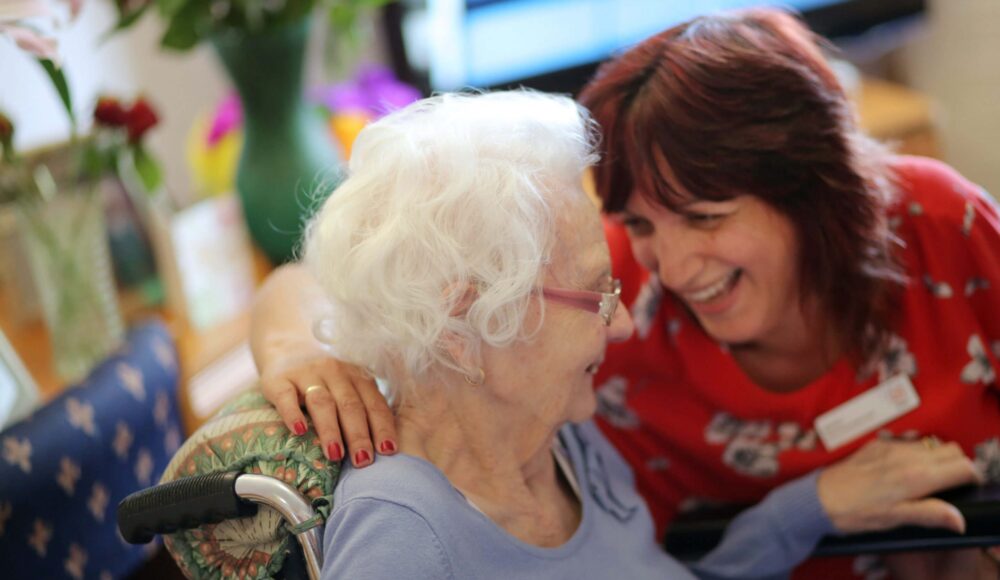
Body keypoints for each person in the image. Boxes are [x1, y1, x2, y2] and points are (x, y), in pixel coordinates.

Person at [250, 9, 999, 579]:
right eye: (637, 223)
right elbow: (355, 268)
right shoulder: (585, 300)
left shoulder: (572, 427)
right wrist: (297, 351)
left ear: (808, 197)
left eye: (707, 218)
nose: (667, 269)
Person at [293, 90, 840, 579]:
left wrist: (810, 507)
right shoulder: (405, 542)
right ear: (463, 328)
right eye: (598, 294)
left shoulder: (568, 444)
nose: (622, 323)